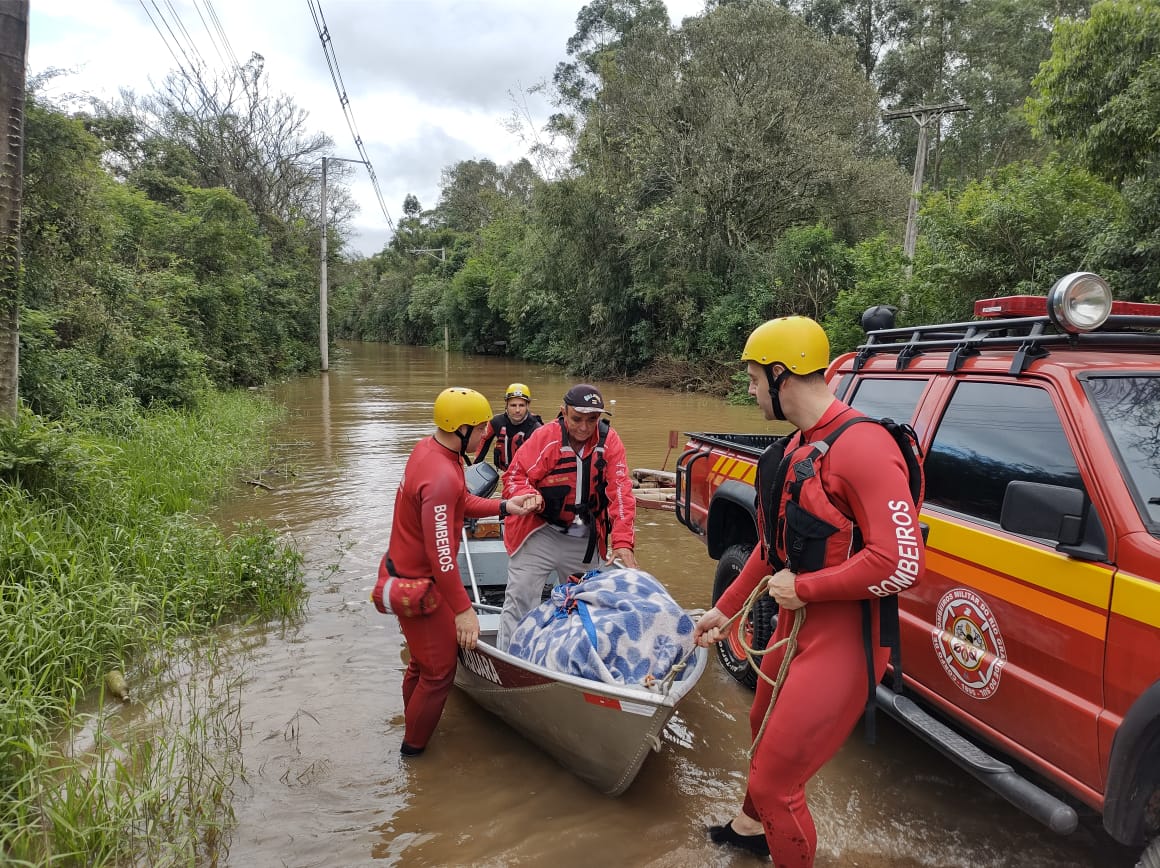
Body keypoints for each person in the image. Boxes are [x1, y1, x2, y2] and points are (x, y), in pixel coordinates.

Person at [693, 316, 925, 866]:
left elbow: (902, 562)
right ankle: (751, 830)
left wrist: (807, 587)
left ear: (781, 374)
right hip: (795, 628)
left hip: (845, 642)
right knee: (759, 726)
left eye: (752, 380)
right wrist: (723, 613)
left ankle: (770, 824)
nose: (749, 392)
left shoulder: (863, 447)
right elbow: (770, 550)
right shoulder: (798, 448)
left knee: (779, 784)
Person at [380, 386, 541, 757]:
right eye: (482, 428)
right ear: (462, 428)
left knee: (421, 664)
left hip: (404, 569)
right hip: (422, 582)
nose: (488, 434)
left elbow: (461, 501)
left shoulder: (430, 450)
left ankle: (410, 723)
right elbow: (442, 557)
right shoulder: (441, 475)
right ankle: (413, 754)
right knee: (438, 674)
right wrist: (463, 610)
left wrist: (505, 506)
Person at [498, 383, 638, 649]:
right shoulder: (545, 437)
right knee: (521, 598)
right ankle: (511, 658)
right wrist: (529, 494)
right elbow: (515, 476)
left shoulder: (609, 441)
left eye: (592, 419)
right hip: (539, 531)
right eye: (577, 419)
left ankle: (577, 658)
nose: (584, 427)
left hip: (583, 537)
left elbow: (620, 492)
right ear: (563, 412)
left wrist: (622, 543)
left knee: (588, 605)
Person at [474, 382, 544, 472]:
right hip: (506, 471)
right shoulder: (496, 422)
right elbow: (483, 443)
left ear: (528, 405)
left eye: (521, 405)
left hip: (527, 476)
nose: (517, 410)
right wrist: (474, 468)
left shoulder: (537, 428)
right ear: (506, 405)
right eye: (513, 405)